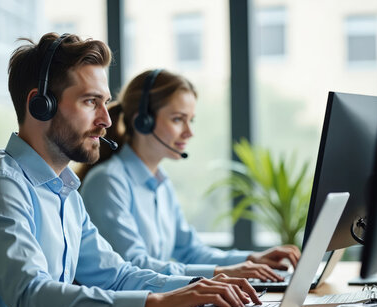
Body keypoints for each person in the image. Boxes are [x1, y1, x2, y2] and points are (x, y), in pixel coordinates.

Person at [0, 33, 260, 307]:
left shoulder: (65, 193)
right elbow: (32, 299)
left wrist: (194, 288)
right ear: (41, 105)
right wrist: (157, 303)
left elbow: (117, 275)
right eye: (90, 102)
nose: (107, 120)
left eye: (105, 102)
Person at [79, 69, 300, 282]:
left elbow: (191, 251)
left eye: (190, 120)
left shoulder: (160, 182)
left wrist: (251, 260)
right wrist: (221, 273)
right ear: (142, 121)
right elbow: (135, 265)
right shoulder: (108, 182)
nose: (189, 132)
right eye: (178, 119)